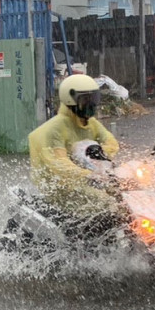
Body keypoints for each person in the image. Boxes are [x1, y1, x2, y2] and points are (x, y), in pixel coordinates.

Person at [28, 74, 125, 231]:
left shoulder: (91, 123)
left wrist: (98, 156)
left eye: (94, 98)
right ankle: (94, 246)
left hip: (88, 179)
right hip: (61, 186)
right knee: (107, 202)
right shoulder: (55, 128)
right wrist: (87, 175)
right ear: (71, 100)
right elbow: (59, 163)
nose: (92, 104)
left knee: (124, 196)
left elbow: (110, 143)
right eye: (86, 100)